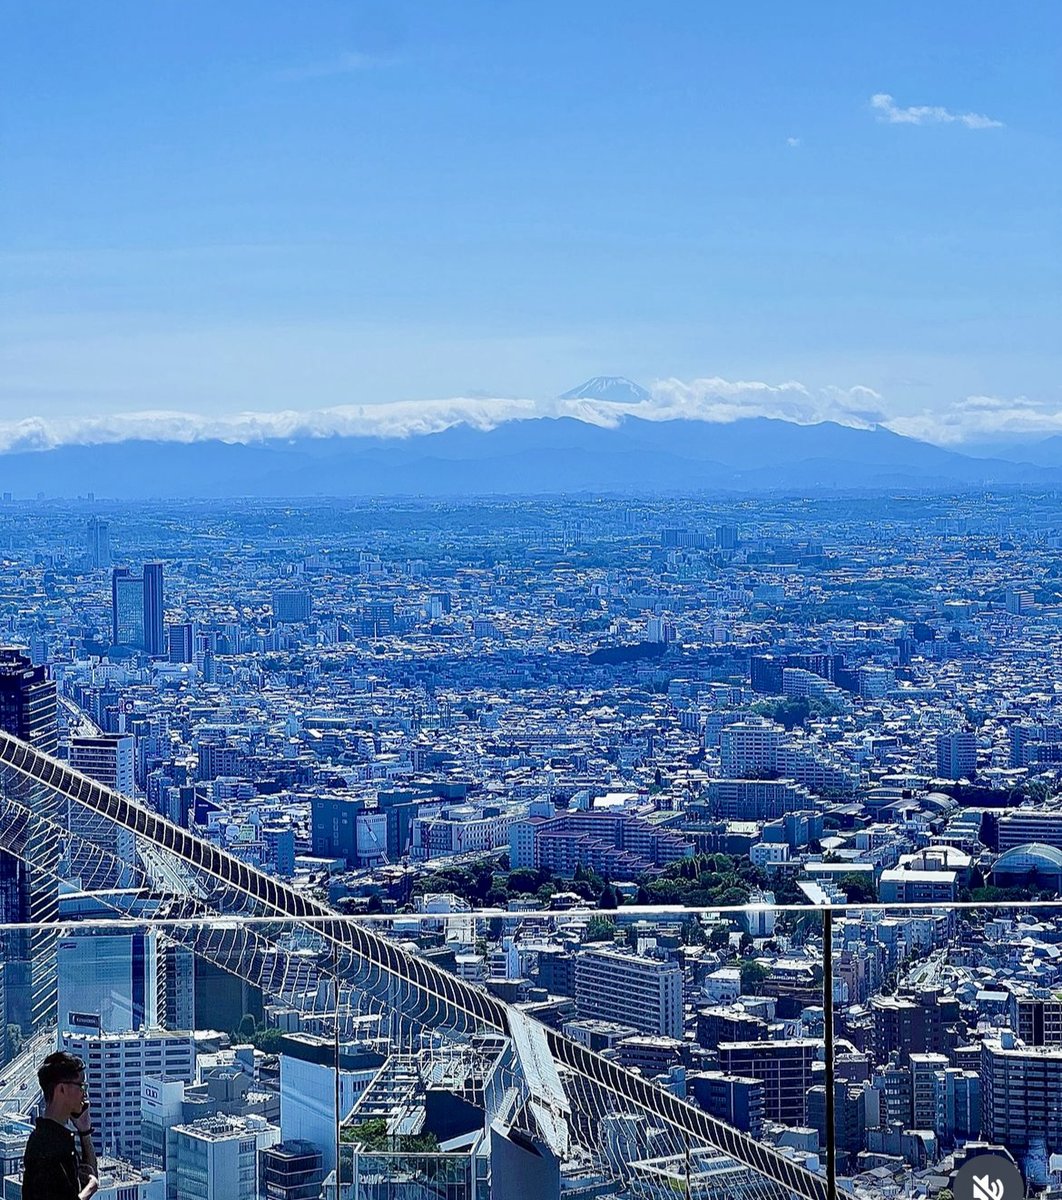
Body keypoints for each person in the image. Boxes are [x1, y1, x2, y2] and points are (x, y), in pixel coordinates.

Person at [22, 1051, 98, 1200]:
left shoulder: (57, 1138)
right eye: (81, 1086)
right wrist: (91, 1187)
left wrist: (84, 1131)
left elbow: (88, 1176)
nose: (85, 1094)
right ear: (61, 1089)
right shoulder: (46, 1147)